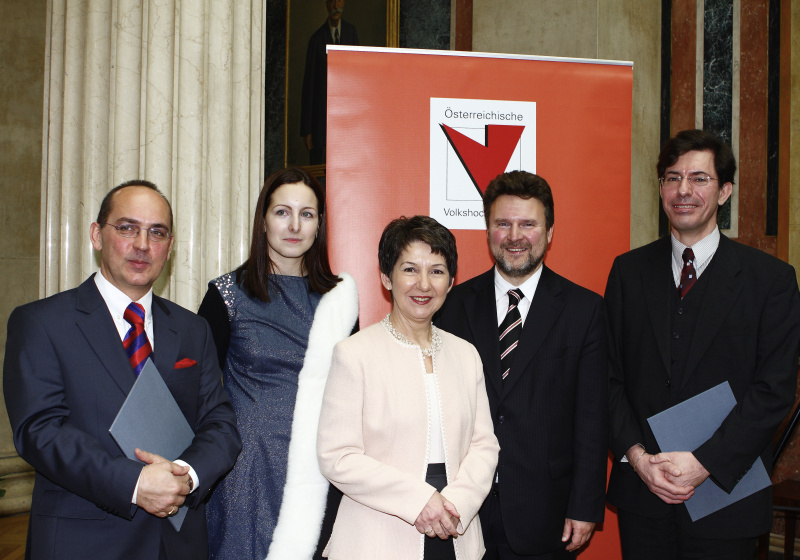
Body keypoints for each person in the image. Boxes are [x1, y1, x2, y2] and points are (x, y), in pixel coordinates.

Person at [3, 180, 242, 560]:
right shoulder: (41, 323)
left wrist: (185, 475)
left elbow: (220, 423)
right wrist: (135, 483)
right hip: (82, 541)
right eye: (128, 228)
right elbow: (39, 430)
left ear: (170, 246)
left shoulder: (193, 329)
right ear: (97, 235)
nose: (143, 244)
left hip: (176, 542)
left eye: (157, 232)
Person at [605, 129, 800, 559]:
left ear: (725, 190)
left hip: (726, 497)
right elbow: (608, 377)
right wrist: (638, 458)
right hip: (644, 495)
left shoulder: (771, 281)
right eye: (672, 178)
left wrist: (704, 463)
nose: (683, 190)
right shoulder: (627, 273)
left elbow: (774, 390)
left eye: (699, 179)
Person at [435, 171, 608, 559]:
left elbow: (592, 419)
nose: (514, 236)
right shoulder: (453, 306)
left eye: (528, 224)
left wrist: (585, 505)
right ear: (488, 231)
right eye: (503, 224)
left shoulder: (585, 310)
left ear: (549, 232)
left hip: (546, 512)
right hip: (463, 509)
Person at [317, 215, 499, 560]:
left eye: (437, 271)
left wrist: (456, 504)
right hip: (376, 536)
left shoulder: (466, 355)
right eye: (410, 270)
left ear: (451, 281)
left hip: (454, 528)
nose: (424, 285)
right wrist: (419, 500)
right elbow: (337, 456)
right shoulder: (354, 354)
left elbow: (484, 445)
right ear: (387, 277)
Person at [200, 167, 358, 560]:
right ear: (263, 220)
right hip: (243, 476)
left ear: (319, 225)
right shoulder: (226, 295)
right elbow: (198, 394)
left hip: (318, 476)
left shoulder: (340, 301)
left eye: (307, 214)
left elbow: (354, 398)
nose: (294, 225)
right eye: (282, 212)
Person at [300, 0, 358, 165]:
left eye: (339, 1)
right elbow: (309, 85)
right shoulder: (316, 39)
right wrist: (307, 130)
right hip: (321, 122)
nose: (336, 6)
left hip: (346, 118)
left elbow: (357, 77)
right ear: (326, 5)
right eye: (332, 1)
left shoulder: (351, 34)